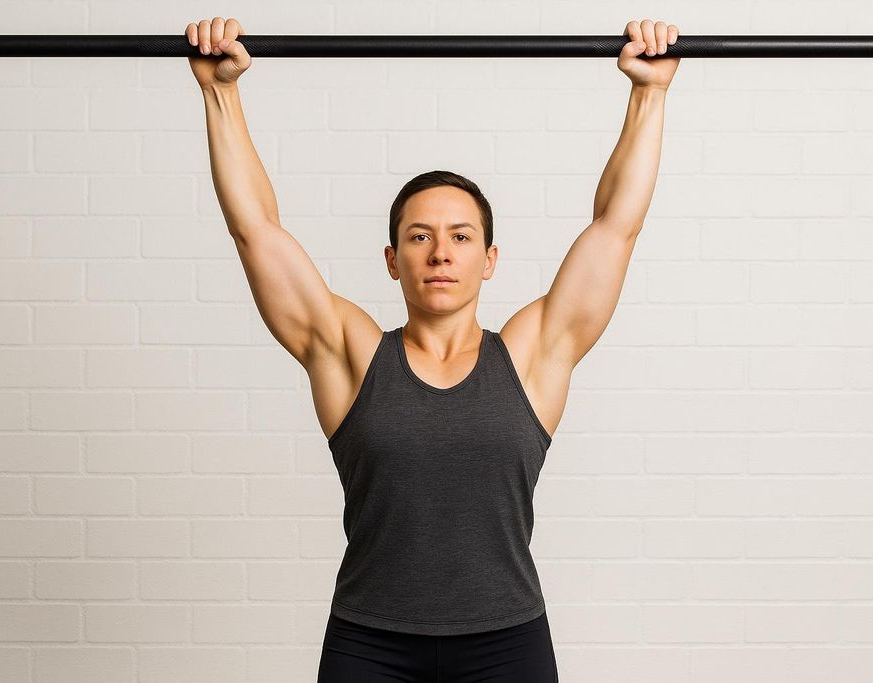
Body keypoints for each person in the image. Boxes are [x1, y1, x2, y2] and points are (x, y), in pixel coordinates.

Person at [186, 15, 680, 682]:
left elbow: (616, 227)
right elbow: (256, 231)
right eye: (419, 236)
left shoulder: (534, 354)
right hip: (369, 643)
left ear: (490, 259)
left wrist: (649, 94)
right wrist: (221, 94)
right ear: (392, 260)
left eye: (460, 236)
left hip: (507, 641)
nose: (441, 251)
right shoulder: (352, 355)